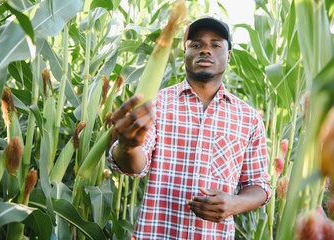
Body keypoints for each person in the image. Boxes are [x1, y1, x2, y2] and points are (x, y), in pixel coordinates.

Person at [109, 17, 271, 239]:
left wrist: (236, 203)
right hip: (157, 233)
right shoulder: (157, 104)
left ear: (229, 55)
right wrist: (127, 146)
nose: (205, 50)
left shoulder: (249, 118)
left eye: (215, 45)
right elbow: (135, 165)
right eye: (195, 44)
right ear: (184, 54)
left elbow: (258, 184)